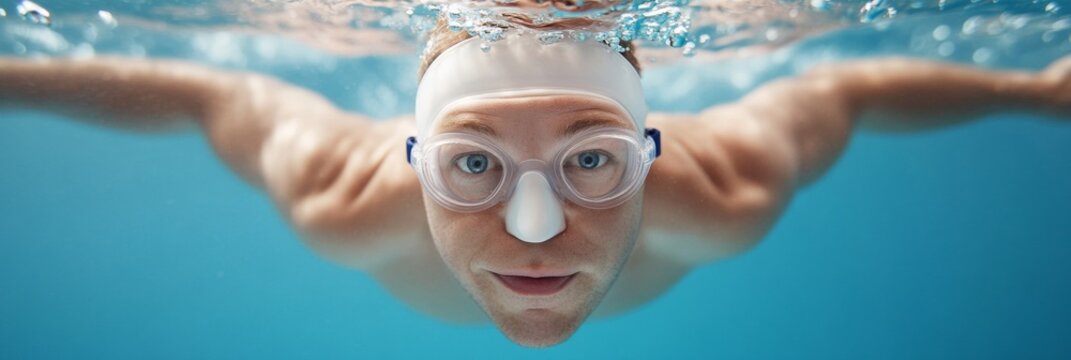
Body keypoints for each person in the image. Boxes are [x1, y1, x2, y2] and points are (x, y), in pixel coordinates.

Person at [1, 18, 1068, 347]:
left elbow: (852, 82)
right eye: (472, 164)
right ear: (411, 162)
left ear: (651, 150)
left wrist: (1039, 95)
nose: (536, 226)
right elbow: (197, 91)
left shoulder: (725, 188)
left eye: (591, 160)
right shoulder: (341, 194)